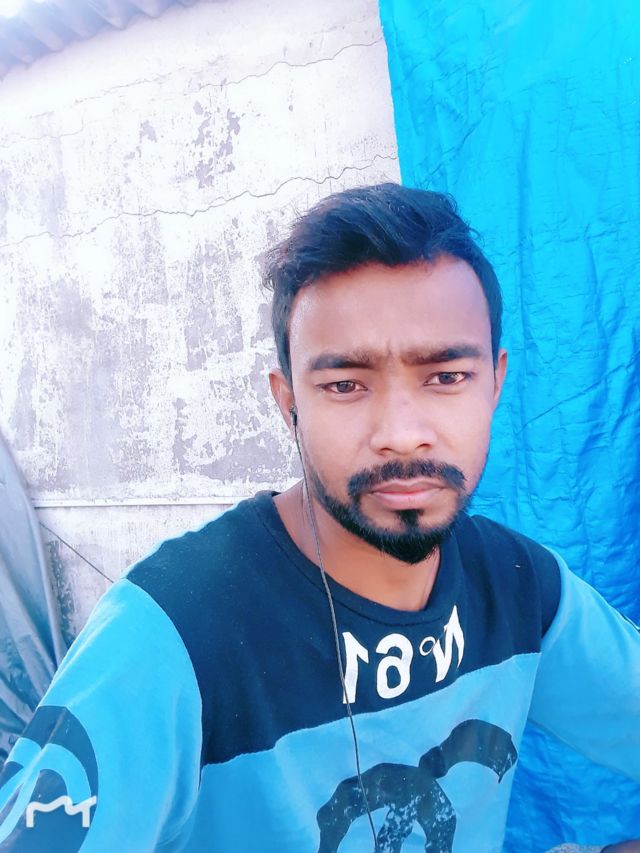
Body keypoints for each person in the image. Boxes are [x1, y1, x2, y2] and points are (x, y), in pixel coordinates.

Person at [0, 183, 638, 852]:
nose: (402, 434)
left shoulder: (520, 586)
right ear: (289, 404)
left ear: (496, 383)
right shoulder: (173, 632)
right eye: (345, 385)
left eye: (447, 376)